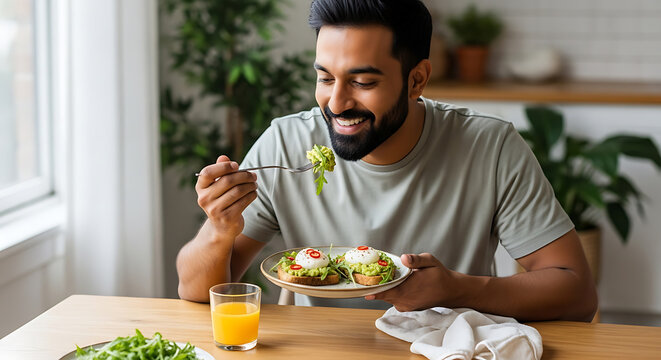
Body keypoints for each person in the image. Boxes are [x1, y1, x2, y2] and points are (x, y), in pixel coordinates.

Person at [176, 0, 598, 322]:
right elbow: (194, 290)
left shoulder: (489, 147)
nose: (336, 103)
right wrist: (218, 231)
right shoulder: (286, 144)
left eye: (362, 82)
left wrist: (456, 289)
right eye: (325, 78)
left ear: (417, 80)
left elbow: (576, 292)